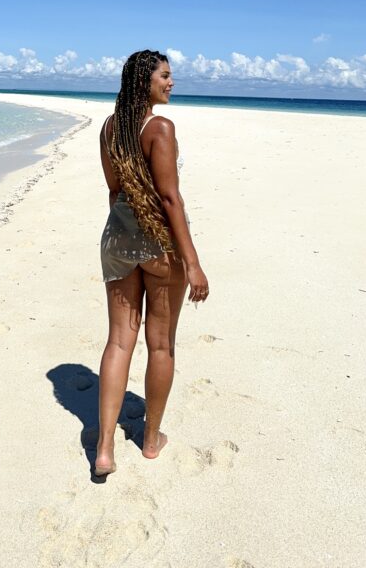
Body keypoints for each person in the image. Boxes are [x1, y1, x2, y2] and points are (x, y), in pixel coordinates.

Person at [95, 49, 209, 476]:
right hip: (161, 246)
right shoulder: (160, 127)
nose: (171, 82)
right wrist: (192, 262)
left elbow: (113, 190)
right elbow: (169, 198)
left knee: (118, 341)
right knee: (160, 343)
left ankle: (104, 447)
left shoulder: (109, 128)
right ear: (146, 80)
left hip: (116, 239)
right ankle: (150, 438)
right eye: (165, 75)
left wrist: (127, 229)